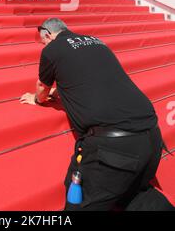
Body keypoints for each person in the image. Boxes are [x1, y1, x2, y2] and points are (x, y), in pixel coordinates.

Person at [20, 18, 173, 211]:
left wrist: (37, 99)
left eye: (44, 42)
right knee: (134, 195)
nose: (45, 45)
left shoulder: (53, 49)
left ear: (48, 35)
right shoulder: (96, 42)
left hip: (114, 147)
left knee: (81, 202)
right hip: (151, 137)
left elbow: (42, 86)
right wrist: (57, 92)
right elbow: (82, 79)